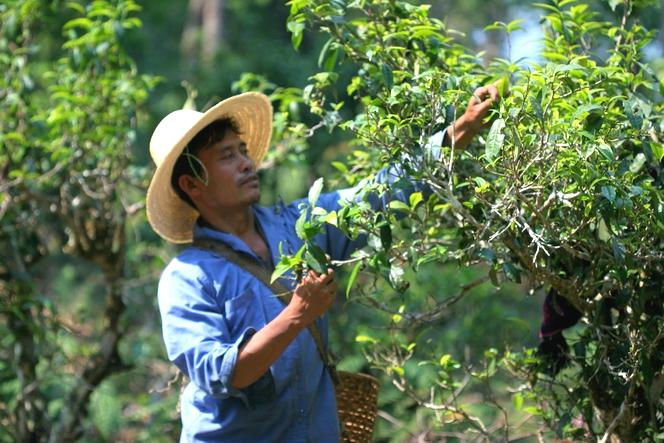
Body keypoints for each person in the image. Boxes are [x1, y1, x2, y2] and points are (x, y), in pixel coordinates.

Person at [146, 86, 498, 442]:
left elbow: (373, 196)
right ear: (193, 184)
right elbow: (223, 374)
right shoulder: (187, 279)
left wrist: (457, 133)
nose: (247, 164)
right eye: (226, 157)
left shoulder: (298, 227)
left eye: (243, 151)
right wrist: (297, 314)